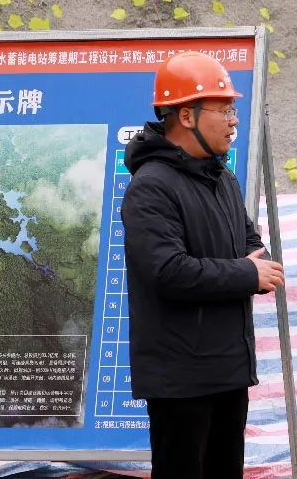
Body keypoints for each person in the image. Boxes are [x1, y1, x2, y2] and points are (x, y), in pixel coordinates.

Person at [121, 51, 285, 479]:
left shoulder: (221, 178)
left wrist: (254, 267)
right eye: (224, 110)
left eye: (234, 110)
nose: (234, 120)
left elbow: (252, 245)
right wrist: (246, 273)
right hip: (181, 379)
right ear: (186, 116)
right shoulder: (151, 187)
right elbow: (168, 271)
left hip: (229, 369)